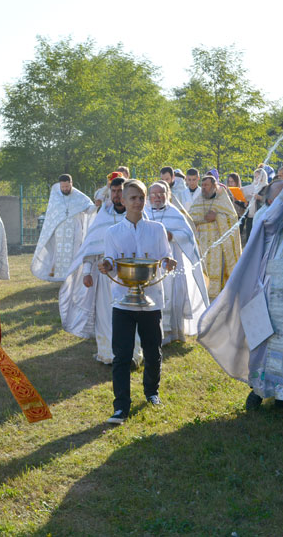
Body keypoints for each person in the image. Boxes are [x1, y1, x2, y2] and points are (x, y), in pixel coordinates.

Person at [197, 170, 283, 419]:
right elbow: (274, 219)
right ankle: (263, 389)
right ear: (271, 200)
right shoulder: (266, 218)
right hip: (275, 295)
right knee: (270, 343)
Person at [99, 179, 176, 424]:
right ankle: (121, 406)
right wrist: (106, 265)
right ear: (122, 200)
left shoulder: (157, 229)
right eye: (133, 198)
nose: (138, 202)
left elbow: (165, 256)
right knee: (122, 355)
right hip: (122, 301)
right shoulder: (112, 232)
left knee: (153, 350)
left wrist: (168, 262)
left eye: (141, 197)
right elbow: (111, 259)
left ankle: (152, 392)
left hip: (151, 300)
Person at [60, 176, 142, 365]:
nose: (117, 195)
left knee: (132, 313)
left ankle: (132, 355)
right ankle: (109, 354)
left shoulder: (137, 215)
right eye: (114, 191)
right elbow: (91, 246)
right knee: (105, 315)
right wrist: (87, 272)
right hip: (105, 276)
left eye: (120, 191)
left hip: (130, 275)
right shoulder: (103, 215)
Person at [145, 182, 209, 343]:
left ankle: (172, 332)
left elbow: (188, 235)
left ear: (167, 195)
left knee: (173, 293)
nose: (157, 197)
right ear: (149, 196)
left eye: (161, 194)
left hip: (172, 260)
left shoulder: (174, 213)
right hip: (150, 261)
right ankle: (152, 331)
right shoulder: (144, 212)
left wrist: (172, 236)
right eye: (154, 194)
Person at [31, 174, 95, 282]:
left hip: (75, 232)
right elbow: (52, 215)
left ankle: (74, 277)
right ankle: (61, 277)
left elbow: (89, 209)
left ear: (71, 184)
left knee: (75, 253)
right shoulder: (56, 197)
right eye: (63, 187)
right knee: (60, 255)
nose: (65, 189)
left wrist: (96, 205)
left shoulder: (79, 196)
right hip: (60, 234)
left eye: (67, 186)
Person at [188, 176, 242, 299]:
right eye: (202, 185)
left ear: (214, 186)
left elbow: (233, 219)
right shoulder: (199, 200)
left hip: (218, 246)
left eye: (206, 185)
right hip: (202, 245)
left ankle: (218, 299)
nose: (203, 188)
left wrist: (217, 217)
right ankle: (203, 298)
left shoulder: (222, 199)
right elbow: (190, 218)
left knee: (218, 273)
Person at [241, 168, 269, 242]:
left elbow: (269, 201)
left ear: (263, 177)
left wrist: (260, 197)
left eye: (258, 177)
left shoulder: (267, 188)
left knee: (258, 240)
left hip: (260, 217)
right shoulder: (253, 187)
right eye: (255, 177)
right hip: (250, 216)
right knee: (249, 239)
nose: (256, 179)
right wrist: (245, 202)